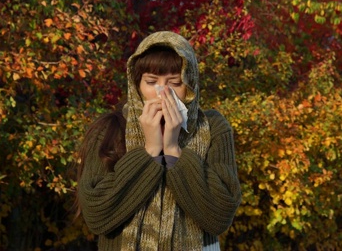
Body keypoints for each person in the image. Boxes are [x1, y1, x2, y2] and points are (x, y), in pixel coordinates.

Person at [76, 31, 241, 250]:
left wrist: (173, 150)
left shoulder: (212, 127)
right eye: (151, 82)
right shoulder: (110, 129)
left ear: (191, 88)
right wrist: (150, 150)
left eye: (174, 82)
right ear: (136, 86)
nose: (163, 94)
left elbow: (220, 215)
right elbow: (97, 215)